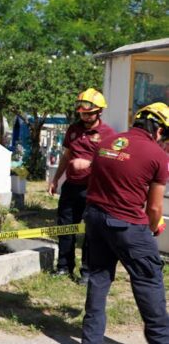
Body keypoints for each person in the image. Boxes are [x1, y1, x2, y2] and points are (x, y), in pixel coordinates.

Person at [82, 102, 169, 343]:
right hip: (128, 227)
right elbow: (154, 208)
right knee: (149, 282)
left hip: (96, 219)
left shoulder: (107, 143)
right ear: (159, 130)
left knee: (98, 280)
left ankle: (91, 339)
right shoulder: (158, 156)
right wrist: (154, 225)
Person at [48, 88, 115, 284]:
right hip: (71, 187)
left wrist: (90, 164)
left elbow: (111, 162)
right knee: (65, 228)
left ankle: (87, 272)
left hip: (94, 190)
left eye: (89, 113)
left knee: (91, 232)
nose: (85, 116)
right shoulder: (73, 130)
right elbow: (66, 157)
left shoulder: (108, 134)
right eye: (82, 113)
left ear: (99, 111)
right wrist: (56, 179)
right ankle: (64, 267)